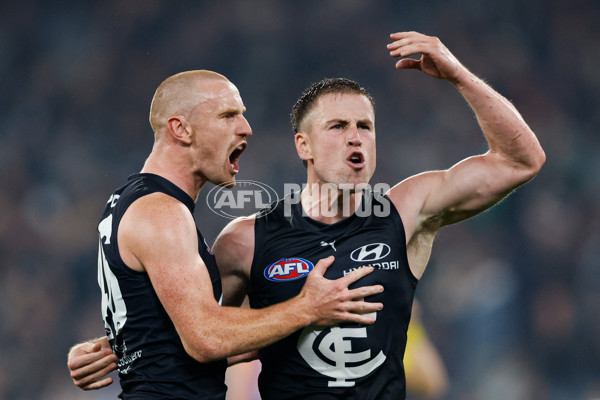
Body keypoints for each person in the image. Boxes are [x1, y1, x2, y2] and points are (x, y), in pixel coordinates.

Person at [68, 31, 545, 399]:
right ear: (304, 146)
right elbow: (203, 332)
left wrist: (460, 74)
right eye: (338, 126)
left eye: (365, 127)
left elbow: (521, 161)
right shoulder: (246, 240)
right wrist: (120, 347)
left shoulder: (407, 211)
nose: (356, 137)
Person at [72, 69, 385, 399]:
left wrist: (118, 346)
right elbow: (206, 340)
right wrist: (305, 309)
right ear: (181, 129)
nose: (246, 128)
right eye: (228, 115)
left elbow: (170, 338)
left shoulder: (134, 199)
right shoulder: (162, 213)